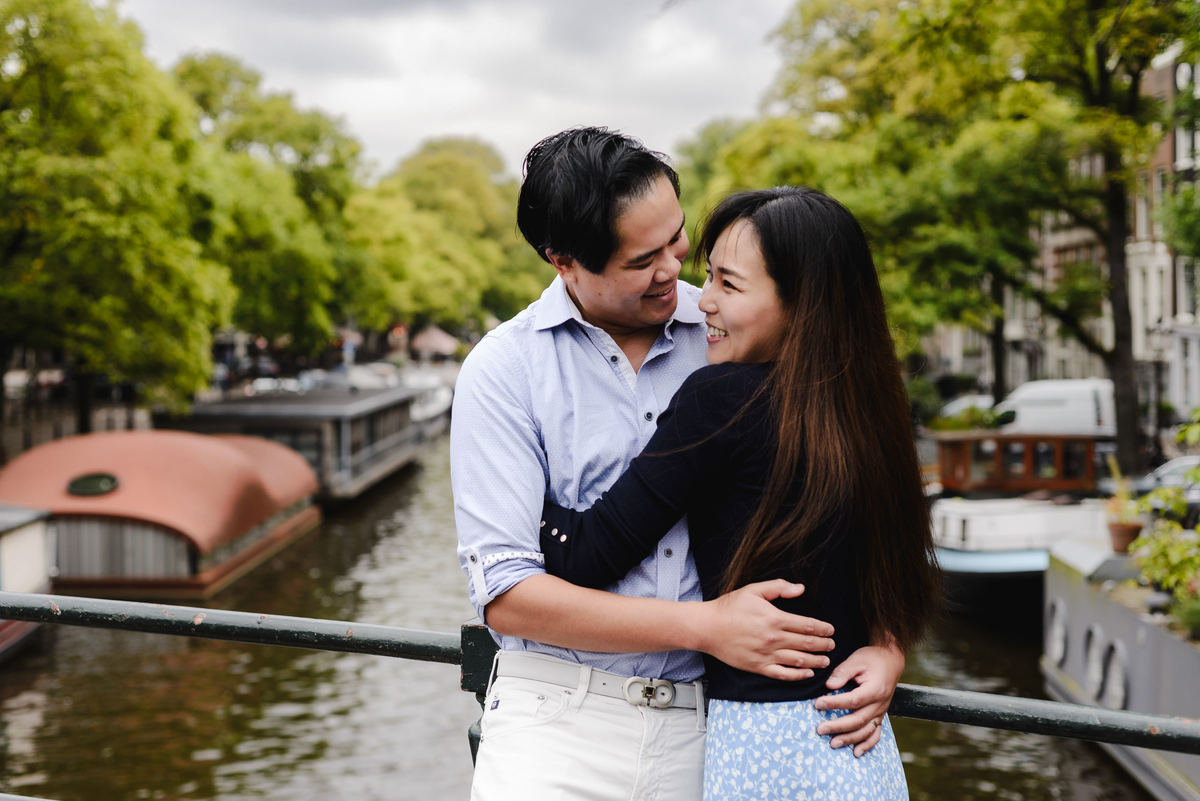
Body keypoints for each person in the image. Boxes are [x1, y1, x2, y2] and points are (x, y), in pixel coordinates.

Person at [451, 128, 906, 801]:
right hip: (558, 722)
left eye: (679, 238)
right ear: (564, 261)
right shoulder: (505, 368)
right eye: (643, 259)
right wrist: (709, 626)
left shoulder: (738, 326)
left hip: (714, 723)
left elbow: (856, 496)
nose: (677, 271)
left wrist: (887, 644)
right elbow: (509, 596)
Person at [536, 186, 942, 799]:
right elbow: (891, 558)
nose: (706, 307)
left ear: (800, 303)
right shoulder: (867, 407)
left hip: (767, 755)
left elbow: (586, 555)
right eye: (708, 278)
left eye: (728, 284)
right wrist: (887, 646)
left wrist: (519, 473)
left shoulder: (718, 400)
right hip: (859, 753)